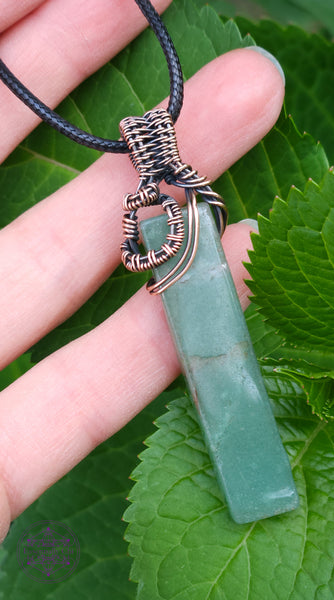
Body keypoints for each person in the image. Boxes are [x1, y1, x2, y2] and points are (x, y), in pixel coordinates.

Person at [0, 0, 285, 542]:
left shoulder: (171, 217)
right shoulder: (164, 220)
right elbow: (138, 252)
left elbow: (142, 251)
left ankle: (264, 487)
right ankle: (258, 489)